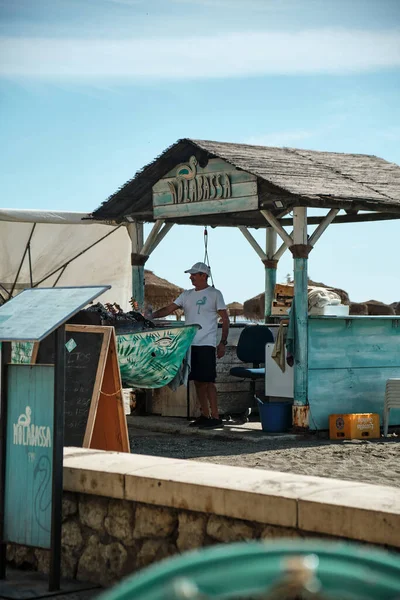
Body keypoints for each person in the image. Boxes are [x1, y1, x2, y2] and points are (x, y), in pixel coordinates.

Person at [151, 262, 229, 429]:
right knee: (197, 381)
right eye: (191, 274)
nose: (191, 277)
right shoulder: (186, 295)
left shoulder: (215, 294)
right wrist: (151, 316)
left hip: (207, 343)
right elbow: (169, 309)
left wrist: (222, 342)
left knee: (208, 381)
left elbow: (225, 319)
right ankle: (205, 415)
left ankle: (216, 416)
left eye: (194, 274)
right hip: (189, 343)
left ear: (204, 275)